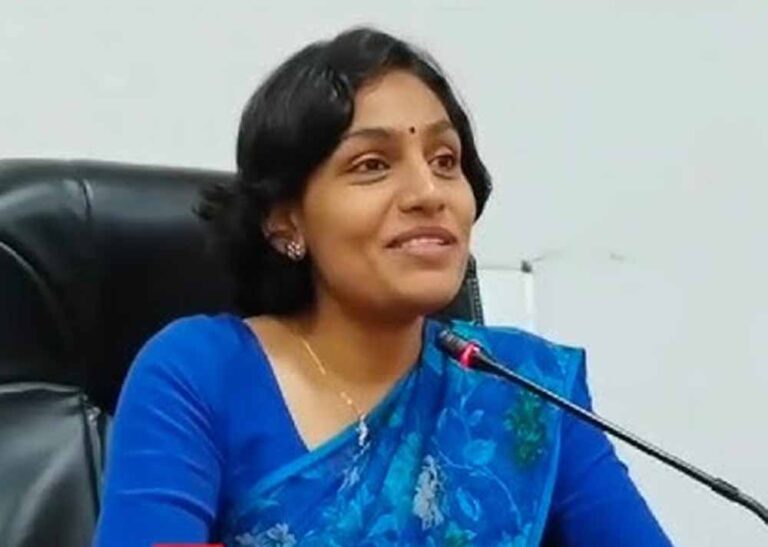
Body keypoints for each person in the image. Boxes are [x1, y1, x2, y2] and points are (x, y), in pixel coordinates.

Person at [94, 27, 671, 546]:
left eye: (445, 160)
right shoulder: (200, 373)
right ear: (285, 222)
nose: (429, 192)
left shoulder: (525, 390)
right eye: (372, 164)